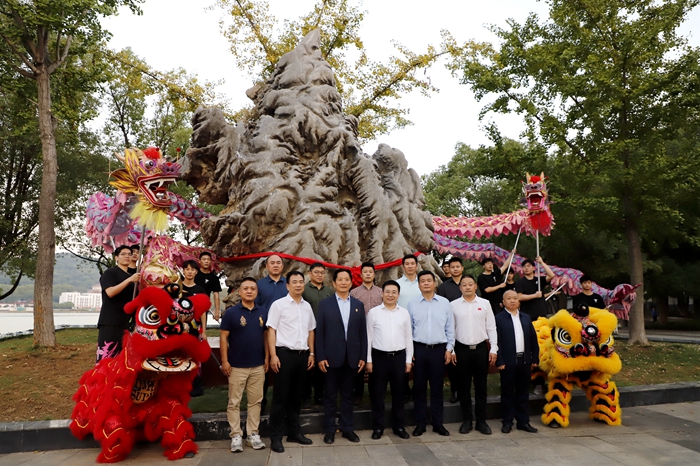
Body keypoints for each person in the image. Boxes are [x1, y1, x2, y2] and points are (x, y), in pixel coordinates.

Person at [267, 271, 316, 453]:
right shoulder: (278, 305)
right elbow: (271, 331)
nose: (298, 285)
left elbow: (311, 331)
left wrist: (311, 353)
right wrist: (273, 355)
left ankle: (295, 432)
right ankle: (276, 437)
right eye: (294, 282)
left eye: (301, 282)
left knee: (297, 397)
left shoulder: (307, 307)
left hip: (302, 356)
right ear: (287, 286)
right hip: (284, 355)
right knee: (281, 398)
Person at [316, 269, 367, 444]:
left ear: (351, 283)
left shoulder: (358, 305)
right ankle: (329, 429)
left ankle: (347, 428)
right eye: (340, 280)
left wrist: (362, 356)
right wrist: (320, 356)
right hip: (330, 358)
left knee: (348, 396)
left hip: (352, 358)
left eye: (347, 279)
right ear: (334, 283)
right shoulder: (325, 304)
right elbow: (319, 333)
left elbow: (363, 333)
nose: (344, 282)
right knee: (330, 395)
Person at [220, 277, 268, 452]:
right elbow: (223, 338)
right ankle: (236, 435)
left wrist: (267, 358)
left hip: (257, 365)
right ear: (239, 292)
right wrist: (225, 361)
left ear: (256, 292)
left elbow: (265, 337)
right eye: (245, 288)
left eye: (252, 289)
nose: (249, 291)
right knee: (234, 402)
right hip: (236, 366)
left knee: (256, 402)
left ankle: (253, 434)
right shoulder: (231, 313)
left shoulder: (263, 312)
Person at [407, 270, 455, 437]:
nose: (426, 283)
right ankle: (420, 424)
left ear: (434, 283)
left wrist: (449, 349)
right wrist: (410, 352)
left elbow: (450, 328)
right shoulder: (412, 304)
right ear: (419, 285)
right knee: (419, 388)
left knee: (437, 388)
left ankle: (437, 423)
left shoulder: (444, 303)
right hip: (419, 350)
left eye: (429, 280)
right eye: (423, 281)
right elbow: (409, 330)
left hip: (439, 351)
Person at [451, 275, 498, 435]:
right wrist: (451, 350)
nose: (467, 287)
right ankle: (466, 421)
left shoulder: (485, 304)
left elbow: (491, 327)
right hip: (461, 350)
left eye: (470, 284)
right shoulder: (453, 305)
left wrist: (493, 349)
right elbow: (450, 330)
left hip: (480, 350)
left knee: (481, 387)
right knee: (463, 387)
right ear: (460, 288)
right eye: (464, 285)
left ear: (475, 286)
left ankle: (481, 421)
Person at [365, 280, 413, 440]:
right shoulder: (373, 313)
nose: (390, 295)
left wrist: (408, 360)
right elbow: (369, 338)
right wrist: (369, 360)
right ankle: (378, 427)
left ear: (398, 295)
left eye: (394, 292)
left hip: (398, 358)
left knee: (399, 394)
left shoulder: (404, 313)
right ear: (382, 293)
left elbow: (408, 338)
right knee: (377, 394)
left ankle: (398, 426)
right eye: (387, 292)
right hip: (379, 358)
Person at [495, 290, 539, 434]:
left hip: (524, 361)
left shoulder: (526, 318)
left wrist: (534, 358)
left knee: (523, 393)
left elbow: (533, 339)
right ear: (504, 302)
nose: (512, 301)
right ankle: (507, 422)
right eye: (509, 299)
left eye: (515, 298)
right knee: (507, 393)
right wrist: (499, 360)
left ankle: (523, 421)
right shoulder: (499, 318)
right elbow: (497, 341)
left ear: (519, 300)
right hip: (507, 362)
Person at [256, 254, 288, 413]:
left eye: (278, 263)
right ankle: (260, 403)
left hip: (285, 333)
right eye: (272, 263)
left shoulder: (288, 284)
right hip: (264, 332)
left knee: (283, 369)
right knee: (264, 368)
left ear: (282, 266)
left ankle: (282, 403)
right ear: (267, 266)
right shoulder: (260, 285)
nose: (275, 265)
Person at [96, 245, 140, 362]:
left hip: (126, 324)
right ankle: (103, 380)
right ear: (116, 257)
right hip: (110, 322)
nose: (127, 256)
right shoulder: (110, 273)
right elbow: (110, 292)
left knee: (122, 359)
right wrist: (129, 280)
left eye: (129, 254)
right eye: (123, 254)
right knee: (107, 356)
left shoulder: (133, 278)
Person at [349, 262, 383, 403]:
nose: (368, 274)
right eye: (365, 272)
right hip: (359, 332)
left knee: (375, 362)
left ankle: (374, 392)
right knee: (360, 362)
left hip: (378, 332)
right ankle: (358, 394)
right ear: (361, 275)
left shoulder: (381, 292)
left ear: (374, 274)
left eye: (370, 271)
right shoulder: (354, 292)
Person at [301, 262, 333, 406]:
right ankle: (306, 395)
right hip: (308, 332)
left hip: (325, 333)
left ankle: (320, 395)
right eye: (316, 272)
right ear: (310, 273)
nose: (320, 275)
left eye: (322, 272)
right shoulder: (304, 290)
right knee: (308, 365)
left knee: (323, 364)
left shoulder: (329, 291)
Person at [436, 256, 463, 403]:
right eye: (452, 267)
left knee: (464, 363)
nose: (455, 269)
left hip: (466, 328)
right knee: (453, 363)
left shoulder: (468, 283)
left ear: (462, 268)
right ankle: (455, 391)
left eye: (457, 266)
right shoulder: (443, 287)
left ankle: (464, 391)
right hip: (449, 329)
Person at [514, 256, 555, 320]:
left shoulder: (539, 280)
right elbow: (519, 297)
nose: (526, 268)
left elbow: (551, 275)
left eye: (528, 266)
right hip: (528, 315)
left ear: (533, 268)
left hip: (541, 314)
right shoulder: (520, 282)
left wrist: (542, 262)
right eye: (524, 266)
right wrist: (535, 295)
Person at [477, 249, 516, 313]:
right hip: (488, 303)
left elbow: (505, 265)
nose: (490, 265)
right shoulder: (481, 277)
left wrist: (511, 255)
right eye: (487, 264)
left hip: (498, 305)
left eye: (491, 263)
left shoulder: (495, 274)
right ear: (483, 266)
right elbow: (487, 290)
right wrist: (499, 286)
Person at [195, 251, 222, 323]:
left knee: (201, 329)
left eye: (208, 259)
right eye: (204, 259)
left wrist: (217, 311)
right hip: (191, 306)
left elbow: (216, 295)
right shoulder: (194, 274)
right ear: (199, 261)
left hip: (204, 307)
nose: (206, 261)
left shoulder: (214, 278)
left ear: (211, 262)